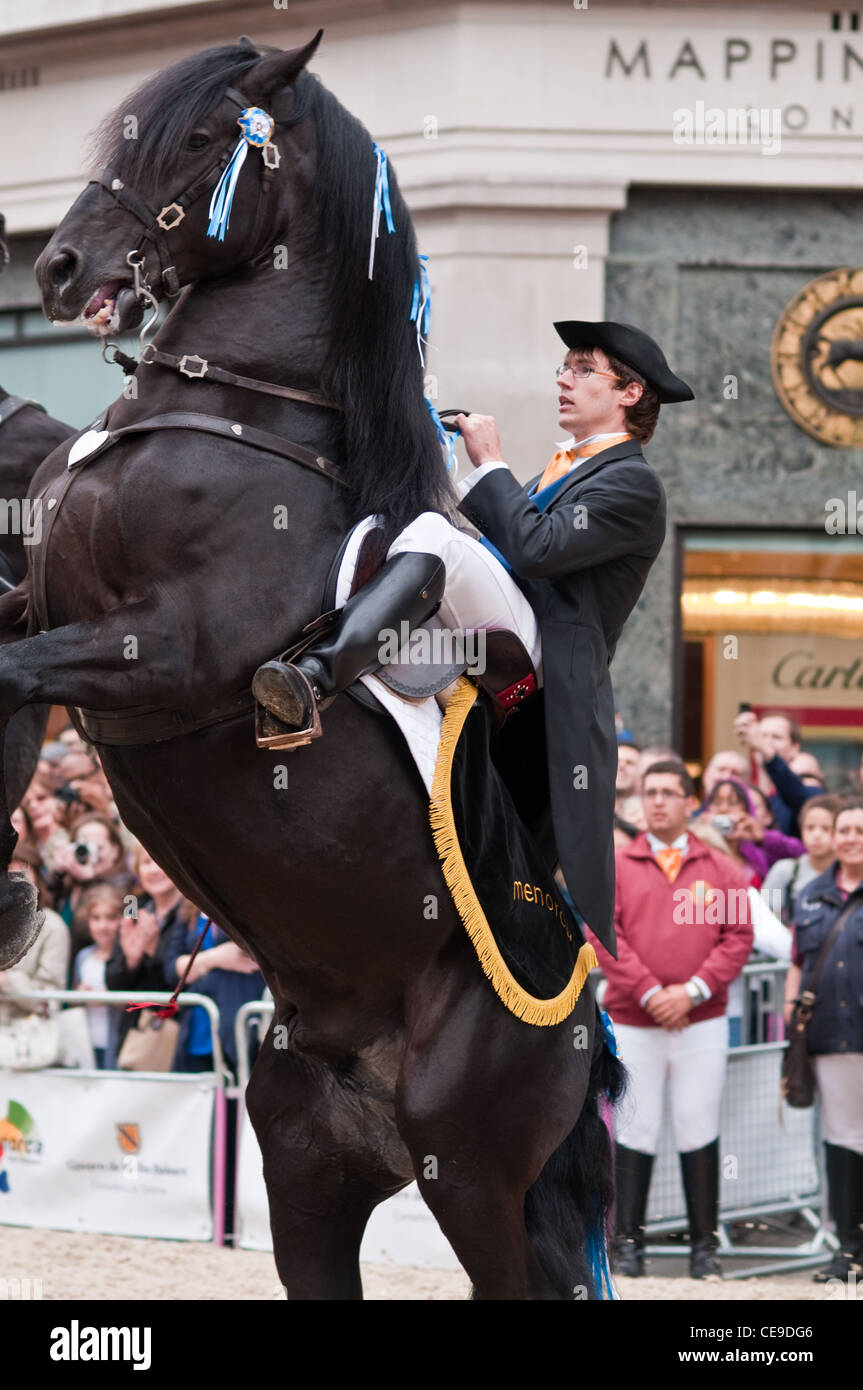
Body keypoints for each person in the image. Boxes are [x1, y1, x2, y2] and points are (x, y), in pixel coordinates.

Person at [252, 320, 694, 952]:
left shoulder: (634, 482)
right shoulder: (564, 468)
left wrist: (490, 462)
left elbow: (536, 549)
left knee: (434, 536)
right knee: (412, 533)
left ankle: (315, 676)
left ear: (630, 392)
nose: (563, 378)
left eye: (582, 368)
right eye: (563, 367)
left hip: (545, 658)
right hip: (499, 634)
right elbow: (500, 546)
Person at [589, 759, 753, 1279]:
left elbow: (739, 937)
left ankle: (704, 1249)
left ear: (688, 801)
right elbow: (601, 932)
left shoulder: (721, 868)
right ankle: (627, 1247)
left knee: (697, 1122)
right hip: (635, 1020)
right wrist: (652, 991)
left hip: (700, 1020)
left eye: (668, 792)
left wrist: (693, 990)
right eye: (649, 792)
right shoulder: (615, 863)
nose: (658, 800)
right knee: (635, 1127)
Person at [785, 798, 863, 1283]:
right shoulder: (810, 892)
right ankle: (848, 1249)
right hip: (831, 1038)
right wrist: (790, 1025)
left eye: (859, 829)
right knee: (841, 1139)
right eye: (844, 830)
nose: (851, 837)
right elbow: (796, 962)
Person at [105, 844, 187, 1057]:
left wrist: (152, 951)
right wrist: (131, 961)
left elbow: (179, 980)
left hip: (178, 1031)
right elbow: (113, 982)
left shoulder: (191, 912)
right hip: (134, 1032)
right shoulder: (134, 908)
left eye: (160, 860)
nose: (154, 870)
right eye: (146, 863)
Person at [734, 710, 821, 837]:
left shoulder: (807, 788)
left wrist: (765, 749)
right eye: (762, 736)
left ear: (795, 747)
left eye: (776, 737)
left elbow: (799, 796)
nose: (767, 742)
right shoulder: (748, 789)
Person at [762, 794, 840, 925]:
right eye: (810, 828)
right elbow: (765, 917)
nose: (816, 835)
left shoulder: (849, 875)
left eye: (826, 828)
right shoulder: (786, 871)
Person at [72, 883, 124, 1068]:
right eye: (96, 918)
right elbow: (73, 1000)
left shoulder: (126, 959)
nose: (103, 926)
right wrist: (80, 995)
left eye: (111, 918)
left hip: (117, 1045)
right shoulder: (83, 957)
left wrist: (108, 998)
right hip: (88, 1042)